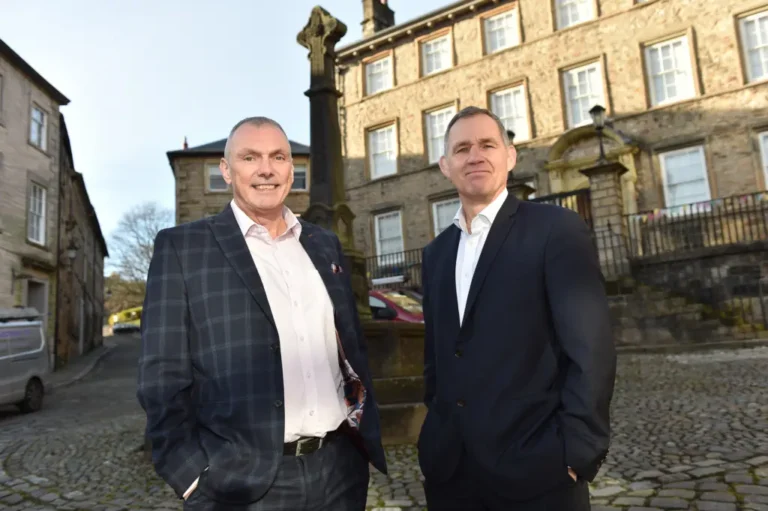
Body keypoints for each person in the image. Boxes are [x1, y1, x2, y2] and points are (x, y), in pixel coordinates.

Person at [137, 116, 387, 511]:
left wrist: (361, 440)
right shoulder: (183, 248)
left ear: (291, 168)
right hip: (240, 483)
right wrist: (190, 475)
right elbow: (161, 375)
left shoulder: (324, 244)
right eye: (250, 157)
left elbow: (350, 347)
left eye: (278, 157)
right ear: (226, 170)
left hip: (340, 471)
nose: (266, 169)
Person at [417, 106, 616, 511]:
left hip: (538, 472)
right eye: (462, 148)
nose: (475, 156)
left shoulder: (555, 229)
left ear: (510, 156)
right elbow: (438, 359)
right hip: (452, 476)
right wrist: (434, 437)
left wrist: (576, 452)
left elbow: (591, 350)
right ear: (445, 165)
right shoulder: (436, 253)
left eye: (488, 145)